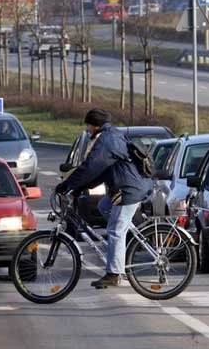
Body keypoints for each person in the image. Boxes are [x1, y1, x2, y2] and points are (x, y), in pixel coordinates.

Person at [55, 108, 153, 288]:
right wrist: (80, 188)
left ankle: (114, 274)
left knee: (115, 230)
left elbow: (90, 167)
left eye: (88, 126)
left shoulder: (107, 141)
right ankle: (129, 237)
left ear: (95, 125)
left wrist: (67, 185)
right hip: (133, 185)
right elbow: (101, 172)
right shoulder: (111, 136)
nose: (86, 130)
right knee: (104, 206)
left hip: (130, 189)